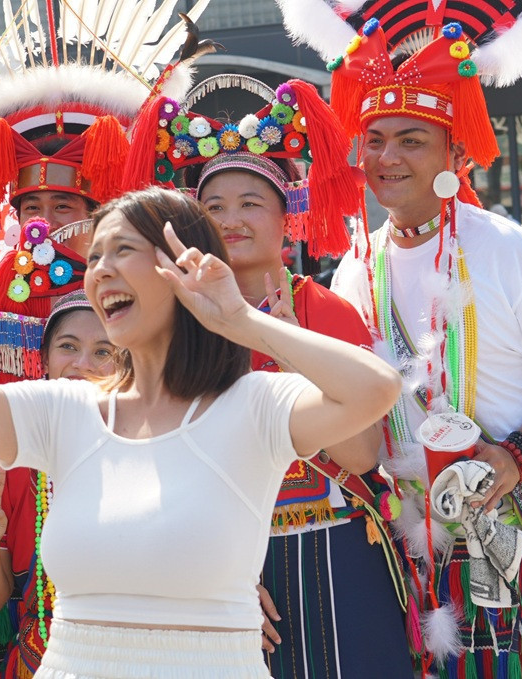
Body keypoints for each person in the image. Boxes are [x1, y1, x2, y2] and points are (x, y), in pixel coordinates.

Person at [0, 132, 401, 679]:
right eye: (94, 256)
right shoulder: (66, 411)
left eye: (121, 251)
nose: (98, 271)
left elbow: (374, 390)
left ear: (181, 266)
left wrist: (240, 318)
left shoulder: (255, 406)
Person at [286, 4, 522, 676]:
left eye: (411, 139)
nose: (387, 157)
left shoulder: (509, 249)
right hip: (418, 545)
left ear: (454, 151)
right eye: (374, 138)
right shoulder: (354, 266)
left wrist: (515, 456)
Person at [127, 75, 410, 676]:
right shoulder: (173, 327)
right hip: (215, 556)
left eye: (250, 203)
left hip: (335, 545)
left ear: (291, 214)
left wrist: (287, 356)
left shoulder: (325, 312)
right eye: (214, 207)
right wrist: (213, 577)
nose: (231, 220)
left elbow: (360, 455)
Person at [0, 290, 117, 679]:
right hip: (39, 657)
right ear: (43, 359)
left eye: (103, 352)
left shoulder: (146, 447)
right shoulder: (11, 457)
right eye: (68, 346)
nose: (82, 364)